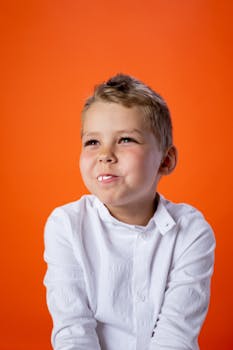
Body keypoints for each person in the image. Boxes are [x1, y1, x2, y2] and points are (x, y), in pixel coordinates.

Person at [43, 74, 215, 350]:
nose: (105, 155)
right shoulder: (66, 225)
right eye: (92, 142)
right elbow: (73, 331)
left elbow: (176, 336)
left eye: (125, 139)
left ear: (166, 160)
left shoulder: (192, 232)